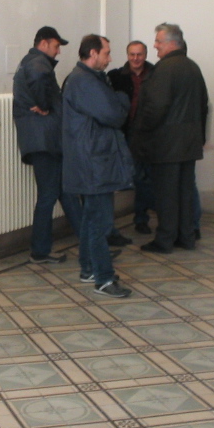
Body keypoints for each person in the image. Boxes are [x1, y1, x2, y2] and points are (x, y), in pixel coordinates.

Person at [62, 35, 133, 299]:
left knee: (92, 219)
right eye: (107, 53)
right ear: (93, 53)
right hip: (93, 163)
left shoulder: (87, 79)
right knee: (99, 223)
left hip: (92, 160)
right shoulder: (84, 81)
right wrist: (122, 99)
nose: (110, 58)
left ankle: (89, 269)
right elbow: (114, 114)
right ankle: (104, 279)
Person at [12, 26, 82, 263]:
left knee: (65, 194)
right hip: (45, 141)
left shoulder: (29, 62)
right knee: (49, 195)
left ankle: (91, 244)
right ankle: (40, 250)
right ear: (43, 43)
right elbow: (40, 80)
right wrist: (45, 105)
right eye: (56, 46)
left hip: (43, 140)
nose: (58, 51)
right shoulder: (38, 63)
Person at [137, 23, 208, 253]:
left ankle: (165, 240)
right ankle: (186, 237)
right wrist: (200, 137)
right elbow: (203, 105)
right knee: (185, 193)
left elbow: (156, 107)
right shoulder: (193, 67)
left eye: (158, 41)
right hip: (189, 144)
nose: (155, 46)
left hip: (167, 144)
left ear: (171, 43)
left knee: (166, 194)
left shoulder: (165, 69)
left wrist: (143, 131)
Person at [108, 40, 155, 236]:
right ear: (127, 55)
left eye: (139, 54)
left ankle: (142, 217)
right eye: (132, 54)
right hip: (126, 134)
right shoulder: (115, 77)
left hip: (150, 134)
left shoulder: (156, 74)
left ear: (145, 55)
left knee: (148, 178)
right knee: (135, 177)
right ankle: (137, 219)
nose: (135, 58)